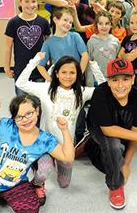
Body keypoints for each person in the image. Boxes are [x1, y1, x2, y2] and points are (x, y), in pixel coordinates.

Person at [16, 52, 103, 202]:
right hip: (45, 143)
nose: (68, 76)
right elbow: (20, 83)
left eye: (72, 72)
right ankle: (36, 183)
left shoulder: (81, 92)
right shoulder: (45, 88)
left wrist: (94, 67)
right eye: (63, 72)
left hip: (66, 145)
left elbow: (105, 89)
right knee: (44, 171)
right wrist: (35, 60)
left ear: (78, 74)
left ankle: (54, 163)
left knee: (64, 183)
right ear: (56, 73)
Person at [0, 94, 74, 213]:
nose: (25, 120)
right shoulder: (8, 126)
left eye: (29, 114)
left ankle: (6, 194)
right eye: (19, 117)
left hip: (15, 183)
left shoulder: (45, 140)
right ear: (14, 118)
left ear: (37, 110)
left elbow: (67, 157)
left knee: (31, 210)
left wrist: (64, 130)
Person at [84, 58, 137, 210]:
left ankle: (89, 146)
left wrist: (126, 164)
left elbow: (134, 136)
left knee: (113, 162)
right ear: (108, 81)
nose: (121, 85)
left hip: (123, 129)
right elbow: (108, 130)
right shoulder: (100, 93)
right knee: (114, 146)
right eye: (115, 80)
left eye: (126, 79)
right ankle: (115, 187)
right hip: (99, 126)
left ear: (133, 79)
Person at [4, 0, 50, 95]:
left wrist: (50, 64)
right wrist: (6, 67)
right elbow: (8, 47)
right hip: (21, 69)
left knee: (39, 101)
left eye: (33, 1)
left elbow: (48, 45)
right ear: (20, 2)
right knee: (22, 102)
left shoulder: (43, 22)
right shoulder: (13, 23)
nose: (31, 5)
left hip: (40, 69)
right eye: (27, 1)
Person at [37, 7, 89, 82]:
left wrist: (79, 74)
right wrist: (50, 79)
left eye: (70, 22)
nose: (68, 24)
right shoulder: (48, 43)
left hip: (76, 79)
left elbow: (85, 56)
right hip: (59, 80)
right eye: (65, 20)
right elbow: (40, 65)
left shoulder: (75, 36)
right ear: (55, 20)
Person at [76, 11, 121, 86]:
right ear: (96, 25)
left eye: (107, 23)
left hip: (112, 78)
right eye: (100, 23)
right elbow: (88, 62)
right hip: (95, 79)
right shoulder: (92, 41)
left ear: (111, 25)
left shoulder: (115, 41)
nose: (104, 26)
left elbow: (117, 61)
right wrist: (89, 81)